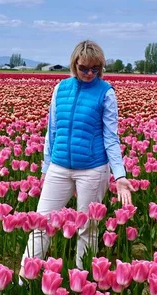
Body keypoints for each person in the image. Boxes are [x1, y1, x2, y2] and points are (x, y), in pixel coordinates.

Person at [20, 40, 135, 274]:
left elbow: (111, 137)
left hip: (92, 169)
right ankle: (24, 278)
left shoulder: (105, 93)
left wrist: (120, 176)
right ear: (74, 64)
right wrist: (46, 167)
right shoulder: (60, 89)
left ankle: (81, 282)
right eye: (84, 68)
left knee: (87, 228)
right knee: (41, 223)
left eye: (95, 69)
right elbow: (52, 130)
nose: (90, 73)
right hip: (59, 166)